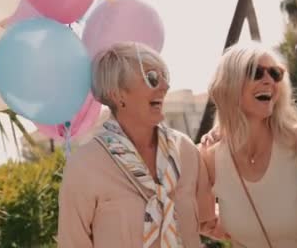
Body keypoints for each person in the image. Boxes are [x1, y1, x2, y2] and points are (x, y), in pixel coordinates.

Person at [57, 42, 222, 248]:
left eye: (165, 78)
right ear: (117, 94)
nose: (164, 86)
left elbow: (210, 221)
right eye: (152, 78)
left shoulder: (185, 149)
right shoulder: (84, 166)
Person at [199, 42, 297, 248]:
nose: (268, 81)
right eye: (255, 72)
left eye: (275, 74)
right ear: (229, 84)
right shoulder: (208, 157)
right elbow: (202, 221)